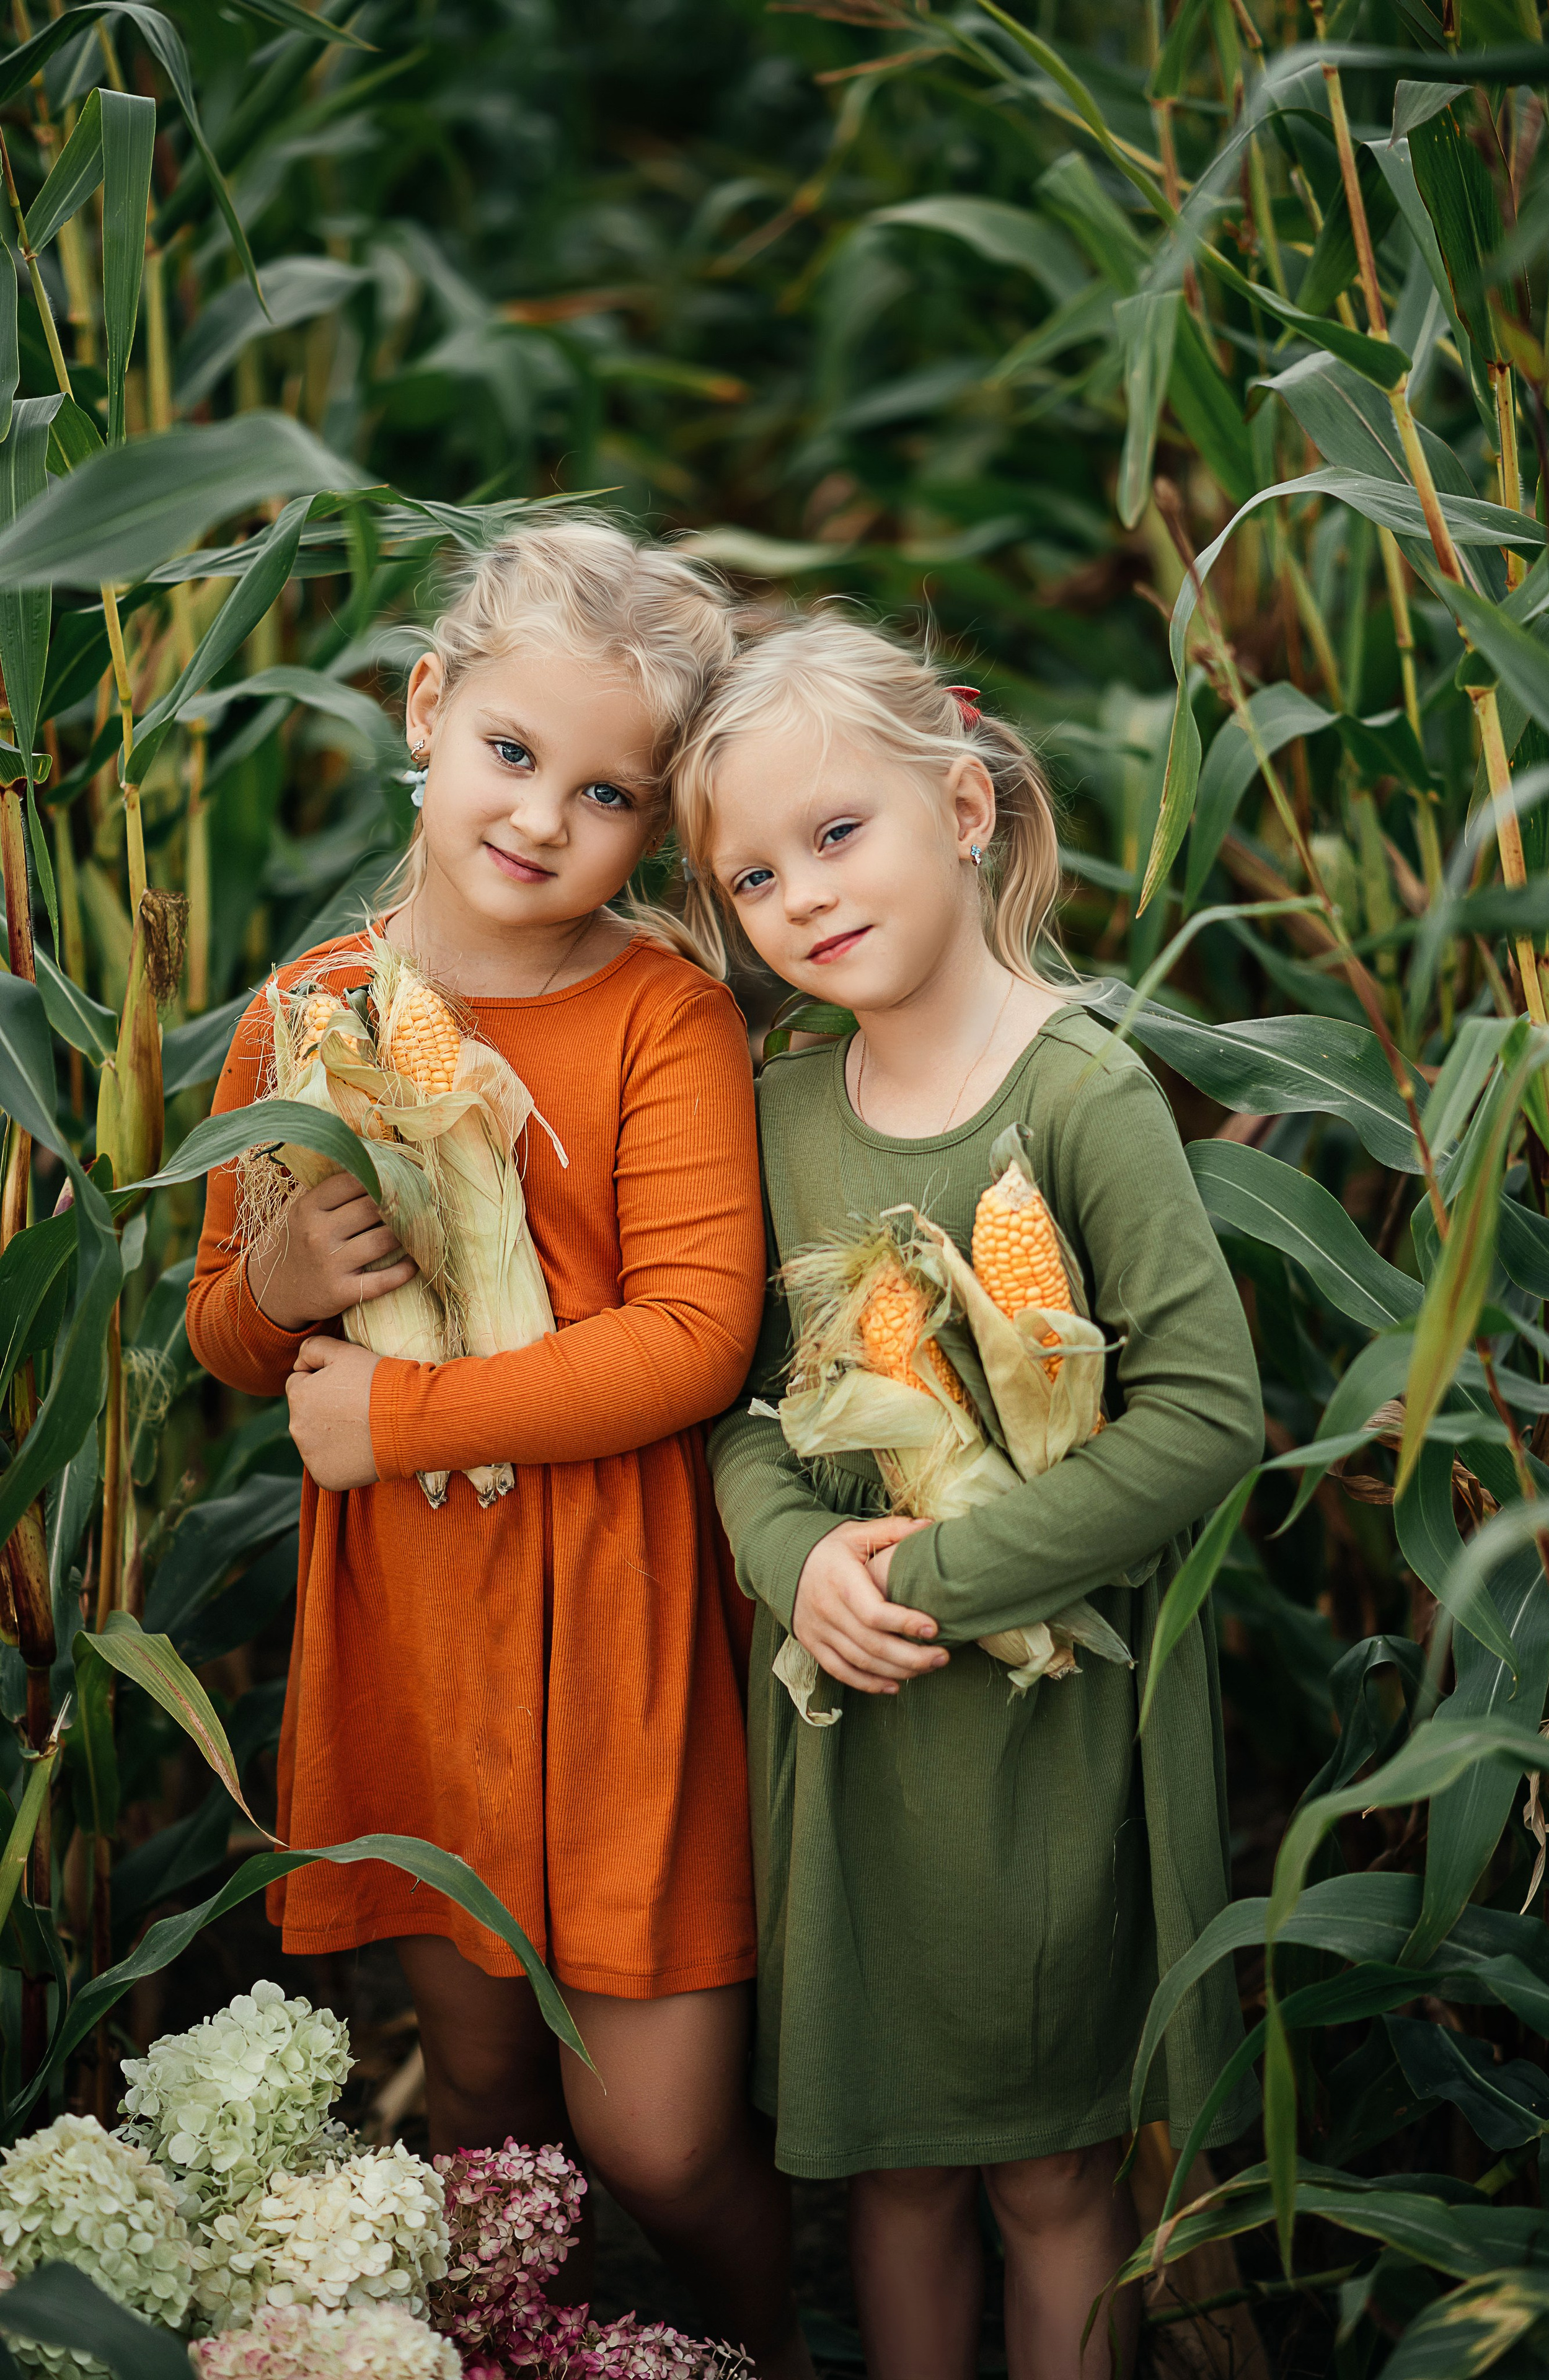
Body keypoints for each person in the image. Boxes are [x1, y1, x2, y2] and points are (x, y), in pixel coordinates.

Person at [187, 518, 814, 2380]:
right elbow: (226, 1330)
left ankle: (770, 2348)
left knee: (660, 2139)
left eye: (607, 794)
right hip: (421, 1634)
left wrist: (399, 1419)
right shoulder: (304, 1014)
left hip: (621, 1636)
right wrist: (279, 1287)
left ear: (659, 825)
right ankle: (526, 2356)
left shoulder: (661, 1018)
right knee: (481, 2099)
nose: (542, 817)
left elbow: (691, 1340)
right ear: (427, 709)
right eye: (513, 752)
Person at [668, 614, 1264, 2380]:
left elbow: (1205, 1417)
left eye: (837, 835)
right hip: (856, 1731)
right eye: (753, 876)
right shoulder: (781, 1111)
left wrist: (926, 1580)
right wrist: (795, 1561)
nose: (801, 896)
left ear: (966, 808)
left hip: (1048, 1735)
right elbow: (746, 1412)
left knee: (1052, 2172)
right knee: (898, 2172)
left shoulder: (1081, 1092)